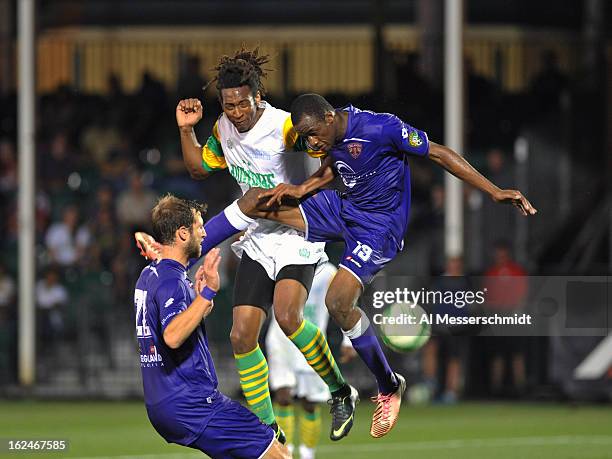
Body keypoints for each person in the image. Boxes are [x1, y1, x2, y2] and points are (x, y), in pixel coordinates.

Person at [224, 93, 537, 437]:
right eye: (306, 137)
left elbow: (439, 153)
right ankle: (212, 247)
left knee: (337, 301)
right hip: (342, 208)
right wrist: (303, 188)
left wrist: (493, 191)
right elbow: (334, 168)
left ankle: (387, 384)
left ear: (329, 118)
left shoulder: (381, 127)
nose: (311, 142)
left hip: (378, 228)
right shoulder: (327, 136)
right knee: (256, 204)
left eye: (314, 134)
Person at [136, 48, 357, 442]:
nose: (236, 111)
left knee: (289, 317)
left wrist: (309, 191)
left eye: (242, 103)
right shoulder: (222, 129)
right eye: (228, 104)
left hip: (296, 232)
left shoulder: (286, 127)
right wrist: (187, 129)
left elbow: (329, 157)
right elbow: (197, 170)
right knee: (241, 336)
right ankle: (269, 428)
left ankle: (341, 391)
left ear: (259, 96)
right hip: (257, 237)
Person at [134, 194, 289, 459]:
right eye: (198, 227)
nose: (204, 234)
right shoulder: (172, 280)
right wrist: (208, 295)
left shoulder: (150, 274)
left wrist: (200, 304)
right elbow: (172, 336)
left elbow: (167, 326)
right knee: (279, 455)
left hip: (163, 404)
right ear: (183, 234)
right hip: (193, 404)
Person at [266, 262, 356, 458]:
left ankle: (308, 453)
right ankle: (285, 451)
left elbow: (345, 303)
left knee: (310, 402)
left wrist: (348, 340)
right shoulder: (279, 261)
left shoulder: (329, 272)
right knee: (283, 397)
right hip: (280, 338)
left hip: (311, 340)